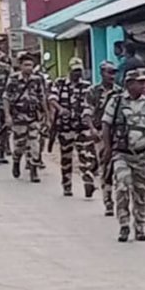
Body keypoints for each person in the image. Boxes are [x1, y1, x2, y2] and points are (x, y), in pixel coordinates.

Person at [100, 67, 145, 242]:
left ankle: (139, 226)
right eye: (141, 82)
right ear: (129, 84)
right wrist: (108, 148)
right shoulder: (116, 101)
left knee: (141, 192)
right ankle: (124, 224)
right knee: (123, 187)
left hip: (143, 155)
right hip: (122, 154)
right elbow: (106, 124)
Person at [48, 56, 95, 198]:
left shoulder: (86, 86)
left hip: (82, 128)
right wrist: (60, 109)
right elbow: (52, 98)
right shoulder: (60, 83)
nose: (77, 74)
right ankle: (67, 185)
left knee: (85, 157)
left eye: (79, 71)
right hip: (65, 128)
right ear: (69, 70)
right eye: (75, 71)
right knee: (66, 158)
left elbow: (91, 103)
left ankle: (88, 181)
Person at [4, 51, 49, 183]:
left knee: (34, 144)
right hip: (18, 117)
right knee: (19, 145)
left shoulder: (37, 80)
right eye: (26, 65)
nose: (29, 67)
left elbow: (42, 97)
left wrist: (47, 115)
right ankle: (16, 160)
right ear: (21, 66)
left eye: (31, 65)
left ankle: (34, 170)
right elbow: (6, 98)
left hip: (33, 117)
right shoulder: (13, 79)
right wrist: (7, 116)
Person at [86, 60, 121, 214]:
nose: (112, 76)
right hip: (100, 133)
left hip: (118, 134)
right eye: (109, 72)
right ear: (102, 73)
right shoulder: (93, 91)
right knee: (105, 167)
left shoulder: (120, 92)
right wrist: (92, 129)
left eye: (114, 72)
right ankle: (108, 200)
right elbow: (87, 112)